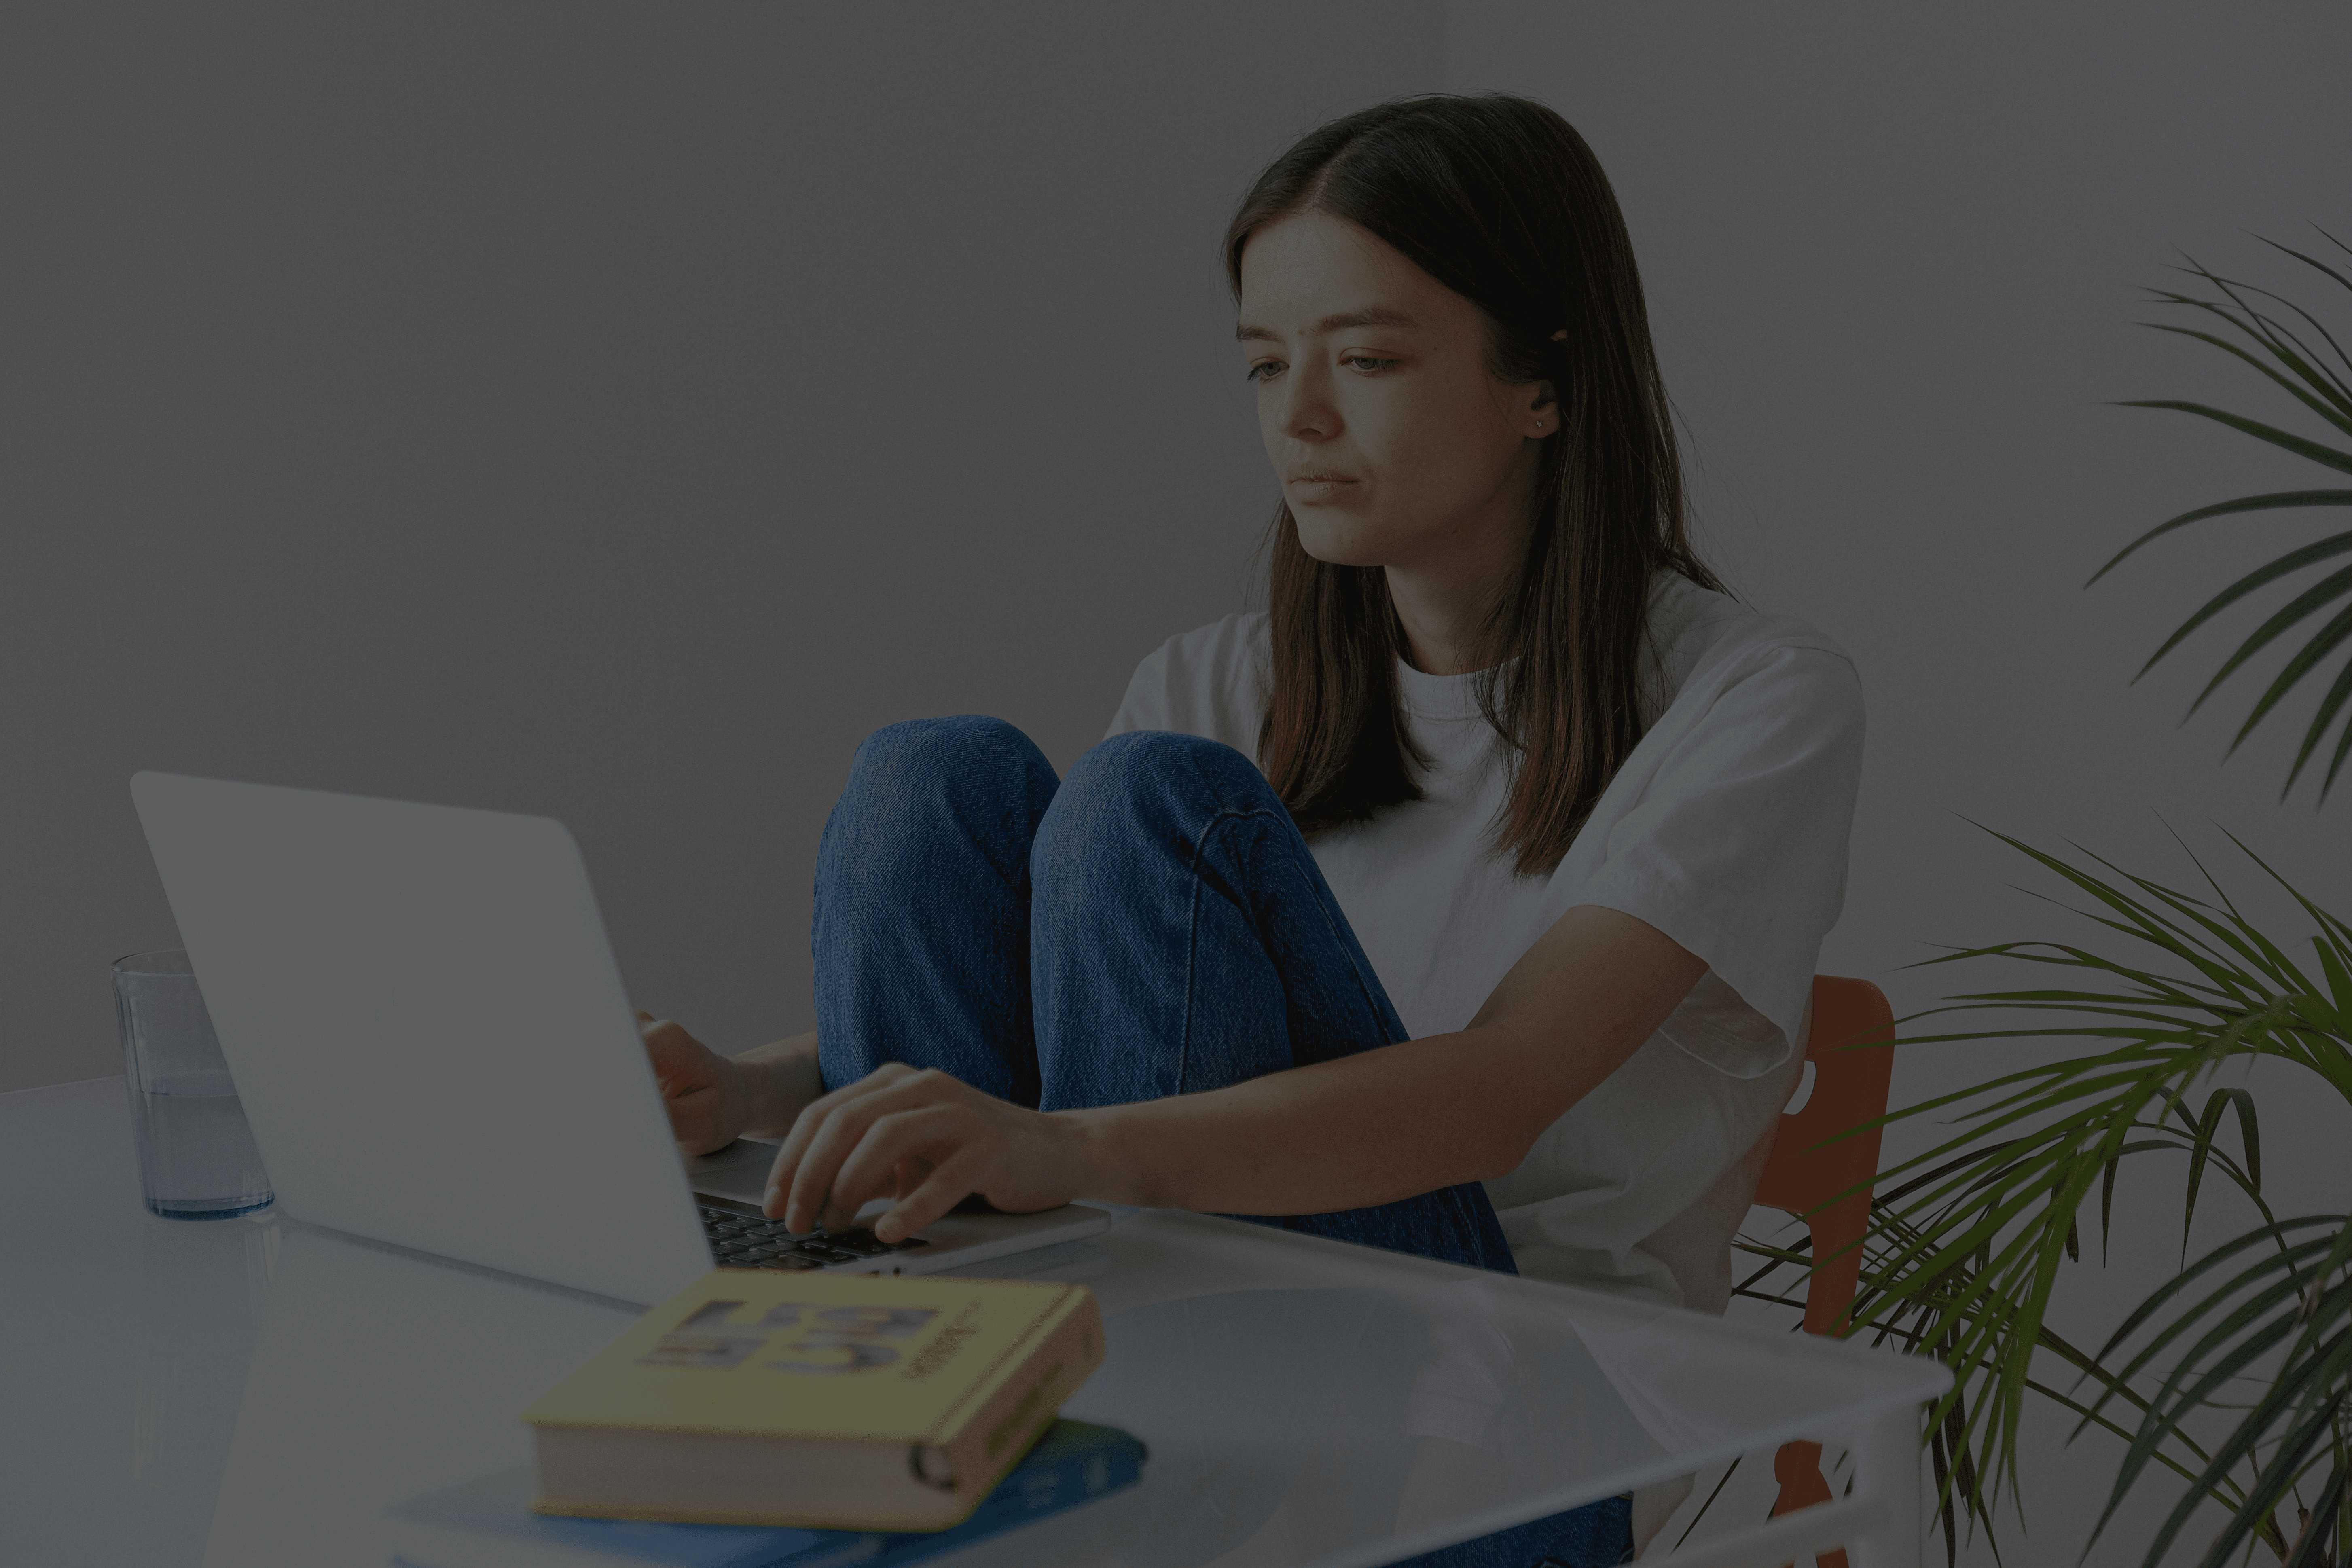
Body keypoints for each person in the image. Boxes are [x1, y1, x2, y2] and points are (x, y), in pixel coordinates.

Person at [638, 92, 1863, 1567]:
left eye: (1366, 359)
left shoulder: (1752, 698)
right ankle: (952, 1430)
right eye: (1264, 364)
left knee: (1141, 804)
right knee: (929, 778)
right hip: (1174, 1352)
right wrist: (756, 1089)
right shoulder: (1227, 680)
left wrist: (1070, 1148)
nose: (1298, 419)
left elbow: (1495, 1091)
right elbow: (1028, 1060)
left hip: (1513, 1425)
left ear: (1544, 376)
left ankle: (1056, 1489)